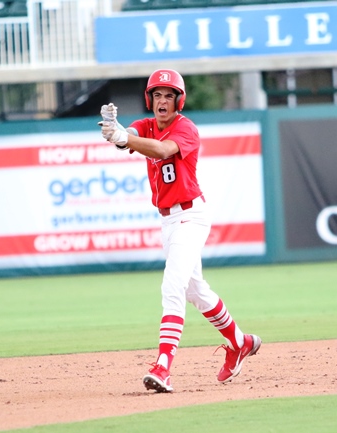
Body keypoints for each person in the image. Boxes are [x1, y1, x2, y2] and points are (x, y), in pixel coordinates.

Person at [98, 69, 261, 393]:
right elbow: (132, 134)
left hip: (191, 216)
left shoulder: (186, 128)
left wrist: (123, 138)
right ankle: (240, 342)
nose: (162, 101)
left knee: (172, 287)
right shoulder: (145, 126)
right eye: (157, 95)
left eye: (168, 95)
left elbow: (159, 150)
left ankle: (163, 367)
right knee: (195, 291)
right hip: (168, 221)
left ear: (178, 100)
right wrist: (116, 132)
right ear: (150, 99)